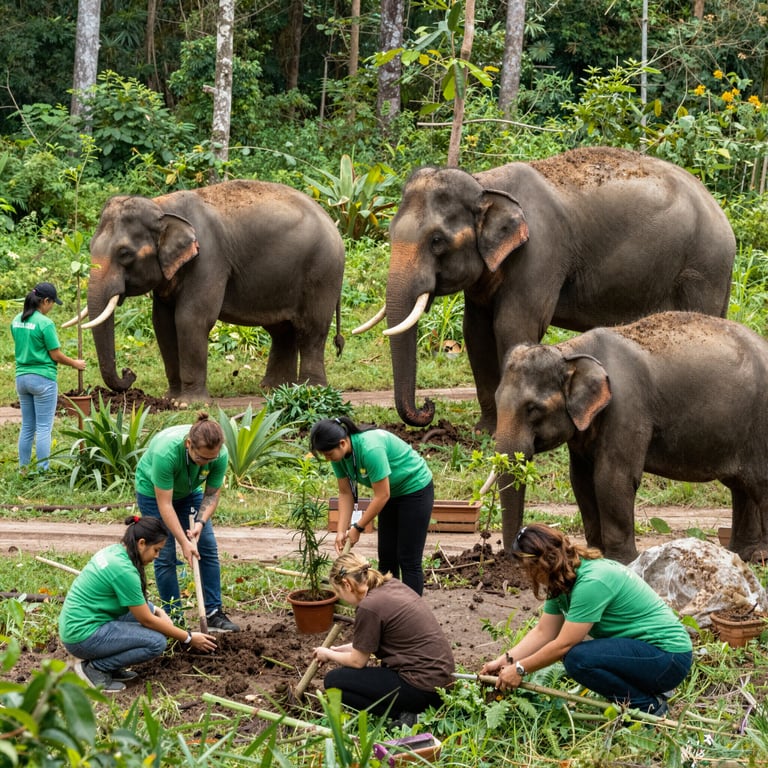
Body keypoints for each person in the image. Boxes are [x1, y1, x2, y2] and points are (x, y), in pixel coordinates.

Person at [480, 524, 693, 718]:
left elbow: (563, 644)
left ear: (541, 562)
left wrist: (520, 669)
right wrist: (504, 661)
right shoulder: (563, 581)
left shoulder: (592, 580)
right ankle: (642, 695)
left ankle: (647, 707)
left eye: (526, 568)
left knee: (577, 658)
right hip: (647, 653)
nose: (526, 575)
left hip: (669, 657)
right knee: (577, 656)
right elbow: (544, 632)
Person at [59, 516, 217, 692]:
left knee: (151, 619)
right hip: (82, 635)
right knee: (156, 642)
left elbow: (137, 605)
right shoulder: (124, 571)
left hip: (82, 622)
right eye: (156, 550)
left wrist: (158, 611)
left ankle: (110, 665)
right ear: (142, 543)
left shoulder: (116, 552)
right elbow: (146, 620)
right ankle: (96, 668)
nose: (157, 556)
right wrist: (188, 637)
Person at [313, 552, 454, 720]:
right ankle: (410, 709)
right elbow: (365, 646)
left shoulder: (369, 606)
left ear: (347, 584)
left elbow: (357, 662)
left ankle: (406, 715)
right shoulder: (391, 586)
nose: (341, 598)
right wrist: (336, 649)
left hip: (422, 688)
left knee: (334, 682)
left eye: (339, 592)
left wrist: (327, 654)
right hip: (441, 683)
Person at [135, 412, 240, 631]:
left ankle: (213, 614)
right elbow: (165, 505)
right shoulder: (167, 453)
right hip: (153, 495)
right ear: (189, 444)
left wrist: (200, 524)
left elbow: (211, 494)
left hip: (189, 491)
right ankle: (175, 620)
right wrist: (183, 541)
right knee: (164, 555)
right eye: (201, 458)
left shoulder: (218, 455)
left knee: (207, 547)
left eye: (211, 459)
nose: (206, 463)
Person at [309, 416, 434, 595]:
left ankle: (410, 612)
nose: (328, 459)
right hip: (390, 494)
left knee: (408, 559)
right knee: (386, 557)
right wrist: (341, 530)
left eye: (328, 454)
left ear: (342, 443)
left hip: (415, 488)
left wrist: (358, 528)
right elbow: (345, 493)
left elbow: (382, 495)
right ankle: (387, 609)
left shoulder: (370, 449)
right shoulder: (339, 458)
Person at [11, 281, 86, 472]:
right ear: (45, 301)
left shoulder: (16, 320)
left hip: (21, 379)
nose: (52, 307)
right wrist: (75, 363)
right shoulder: (45, 323)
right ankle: (43, 471)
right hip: (43, 380)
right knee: (44, 427)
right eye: (52, 303)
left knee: (28, 426)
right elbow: (55, 355)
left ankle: (24, 469)